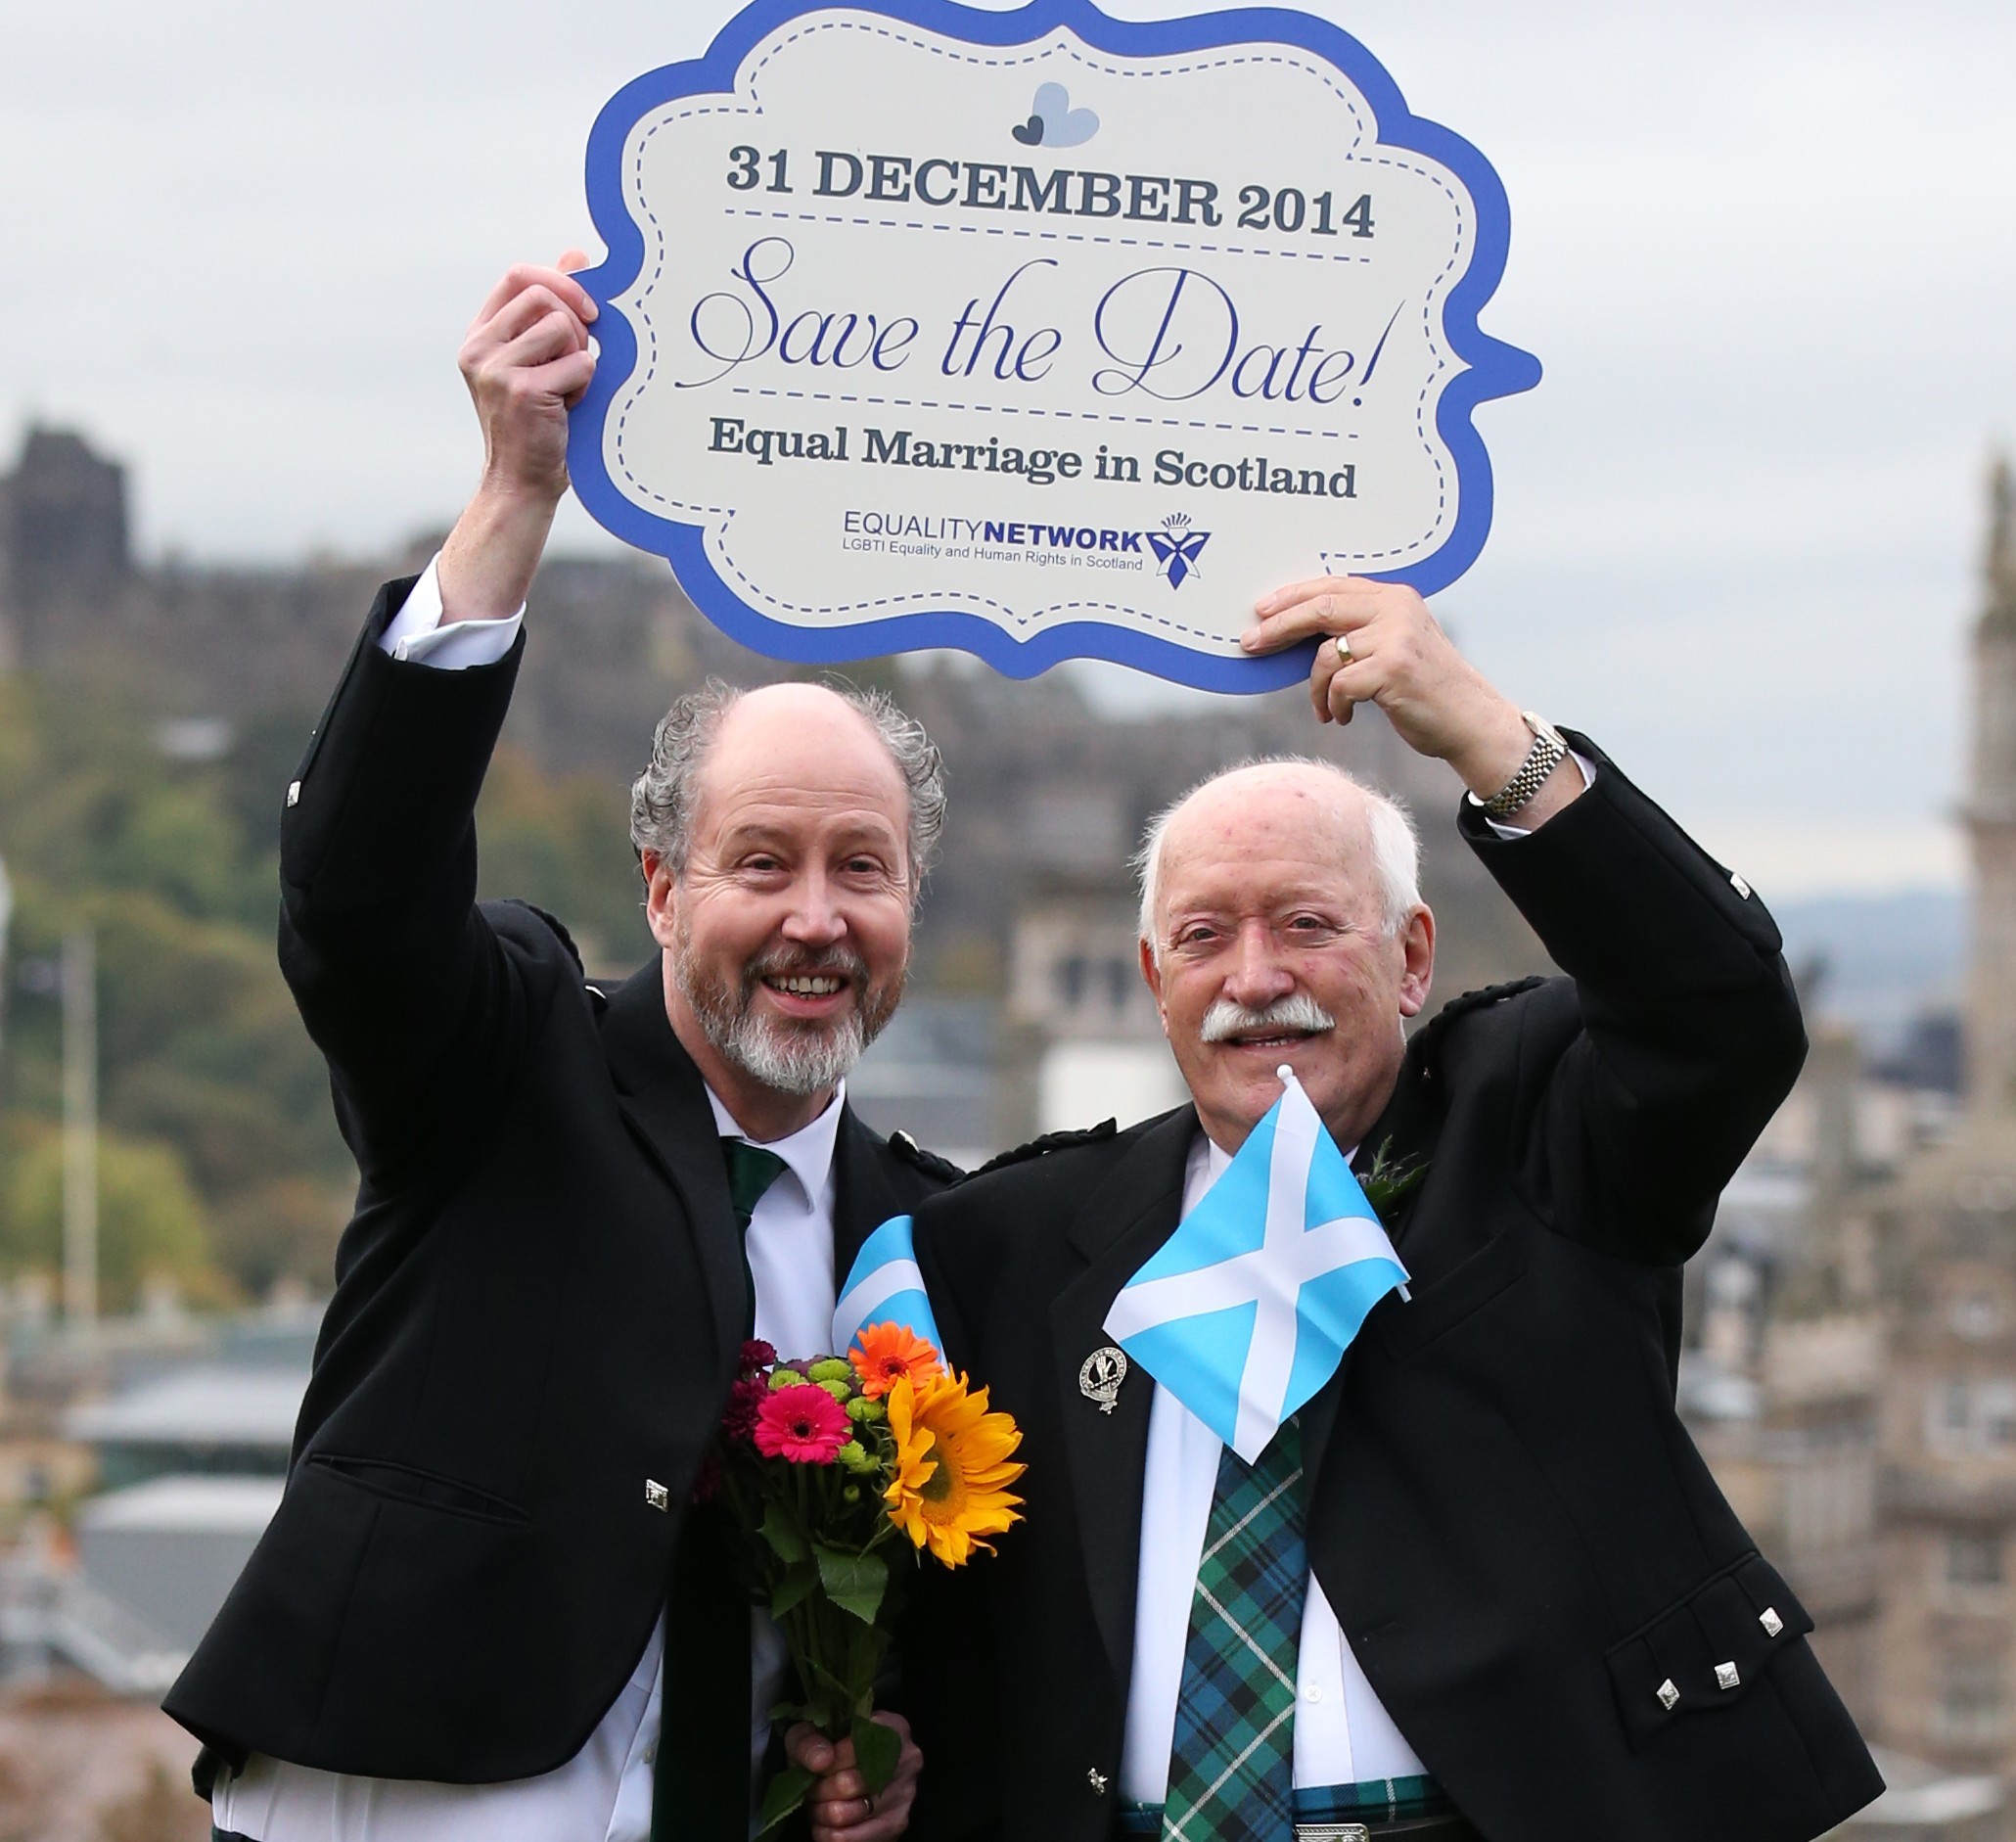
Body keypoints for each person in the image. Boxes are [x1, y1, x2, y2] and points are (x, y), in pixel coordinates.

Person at [904, 576, 1885, 1842]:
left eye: (1308, 925)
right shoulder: (1022, 1235)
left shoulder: (1538, 1138)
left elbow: (1719, 1014)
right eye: (1205, 936)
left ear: (1413, 955)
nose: (1256, 979)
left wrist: (1487, 733)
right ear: (1156, 979)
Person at [163, 260, 947, 1842]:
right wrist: (517, 494)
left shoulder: (935, 1231)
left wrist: (890, 1744)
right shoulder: (514, 1051)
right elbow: (360, 896)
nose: (814, 916)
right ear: (660, 889)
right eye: (761, 862)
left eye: (861, 867)